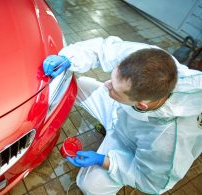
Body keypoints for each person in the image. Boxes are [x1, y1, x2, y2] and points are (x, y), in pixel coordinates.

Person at [42, 36, 202, 195]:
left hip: (130, 145)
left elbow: (150, 181)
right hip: (120, 110)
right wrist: (69, 58)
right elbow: (103, 49)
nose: (106, 85)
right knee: (77, 86)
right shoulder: (149, 61)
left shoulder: (167, 140)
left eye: (114, 89)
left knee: (90, 186)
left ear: (140, 105)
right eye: (112, 79)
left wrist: (104, 161)